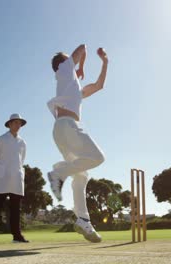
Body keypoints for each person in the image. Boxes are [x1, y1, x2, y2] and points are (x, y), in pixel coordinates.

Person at [47, 44, 108, 243]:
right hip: (69, 126)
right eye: (67, 59)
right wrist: (80, 66)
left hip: (61, 131)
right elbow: (82, 47)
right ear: (63, 63)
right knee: (98, 157)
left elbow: (98, 86)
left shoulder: (73, 88)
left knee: (81, 175)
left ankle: (83, 220)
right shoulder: (65, 68)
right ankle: (59, 173)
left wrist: (105, 63)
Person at [0, 113, 28, 244]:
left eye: (19, 123)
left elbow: (22, 160)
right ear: (9, 124)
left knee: (16, 209)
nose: (17, 125)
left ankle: (17, 236)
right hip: (1, 178)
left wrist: (19, 172)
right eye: (15, 122)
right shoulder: (1, 139)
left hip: (16, 179)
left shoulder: (22, 142)